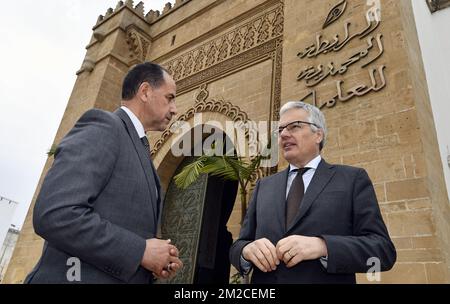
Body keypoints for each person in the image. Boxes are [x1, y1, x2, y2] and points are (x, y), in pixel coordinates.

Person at [25, 62, 183, 284]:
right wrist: (139, 251)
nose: (175, 108)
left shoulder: (138, 146)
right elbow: (56, 214)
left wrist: (154, 260)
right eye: (170, 97)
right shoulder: (105, 126)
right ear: (145, 92)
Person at [229, 101, 396, 284]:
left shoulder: (352, 179)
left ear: (318, 134)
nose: (284, 134)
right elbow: (238, 245)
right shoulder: (263, 186)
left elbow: (382, 251)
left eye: (295, 126)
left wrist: (323, 246)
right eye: (281, 129)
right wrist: (246, 251)